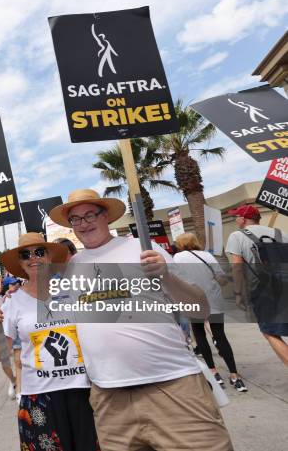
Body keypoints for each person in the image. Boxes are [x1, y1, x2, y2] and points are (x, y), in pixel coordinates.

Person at [48, 189, 232, 451]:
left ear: (106, 216)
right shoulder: (72, 267)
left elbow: (200, 310)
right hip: (110, 401)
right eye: (76, 219)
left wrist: (166, 276)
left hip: (172, 387)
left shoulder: (143, 249)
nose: (83, 223)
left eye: (90, 215)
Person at [0, 233, 98, 450]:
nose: (32, 258)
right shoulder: (12, 302)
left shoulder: (73, 291)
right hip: (38, 397)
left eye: (39, 252)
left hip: (83, 391)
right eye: (25, 254)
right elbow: (1, 354)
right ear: (20, 262)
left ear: (48, 257)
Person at [173, 232, 247, 392]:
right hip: (214, 300)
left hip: (192, 300)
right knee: (220, 336)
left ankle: (214, 373)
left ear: (180, 244)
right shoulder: (206, 255)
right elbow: (221, 278)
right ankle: (235, 376)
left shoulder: (177, 258)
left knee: (200, 336)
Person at [225, 204, 288, 366]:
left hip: (264, 293)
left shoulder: (236, 236)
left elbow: (237, 268)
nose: (235, 219)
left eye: (236, 216)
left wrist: (238, 294)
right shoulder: (281, 234)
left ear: (244, 219)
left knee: (270, 332)